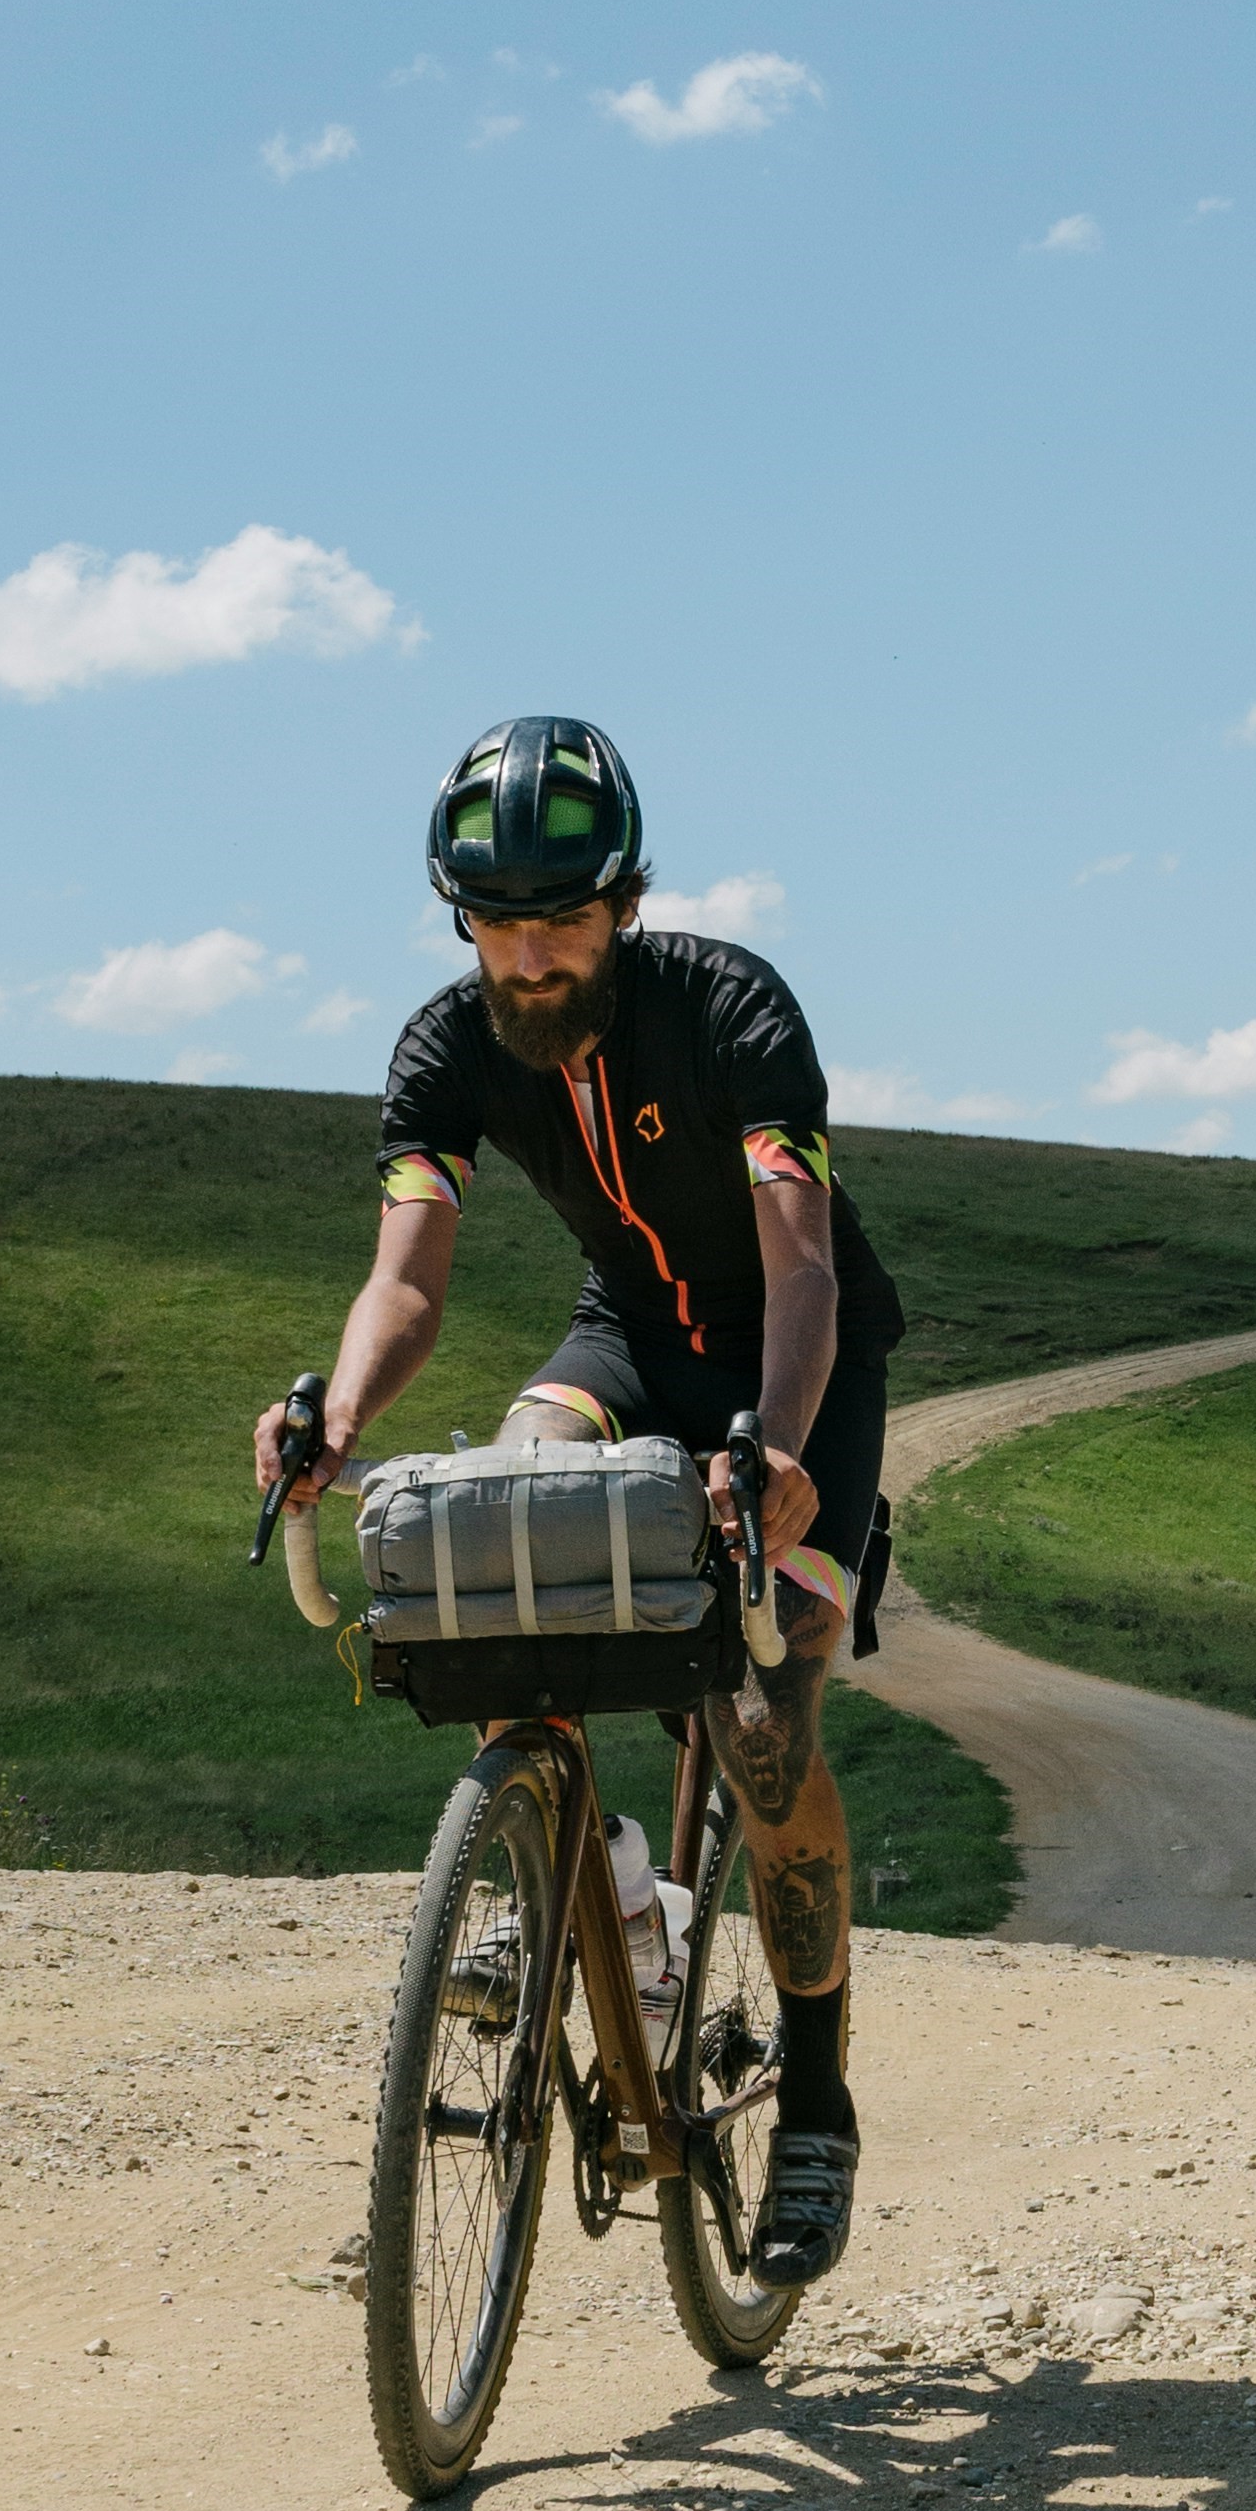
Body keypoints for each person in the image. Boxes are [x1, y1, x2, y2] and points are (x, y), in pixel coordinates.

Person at [257, 713, 898, 2288]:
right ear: (459, 914)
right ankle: (603, 1882)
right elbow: (407, 1279)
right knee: (491, 1541)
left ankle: (815, 2100)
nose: (531, 957)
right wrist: (336, 1414)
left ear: (624, 904)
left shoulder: (731, 1006)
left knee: (764, 1728)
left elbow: (800, 1261)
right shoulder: (445, 1049)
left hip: (799, 1358)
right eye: (497, 921)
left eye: (562, 920)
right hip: (627, 1338)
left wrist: (779, 1447)